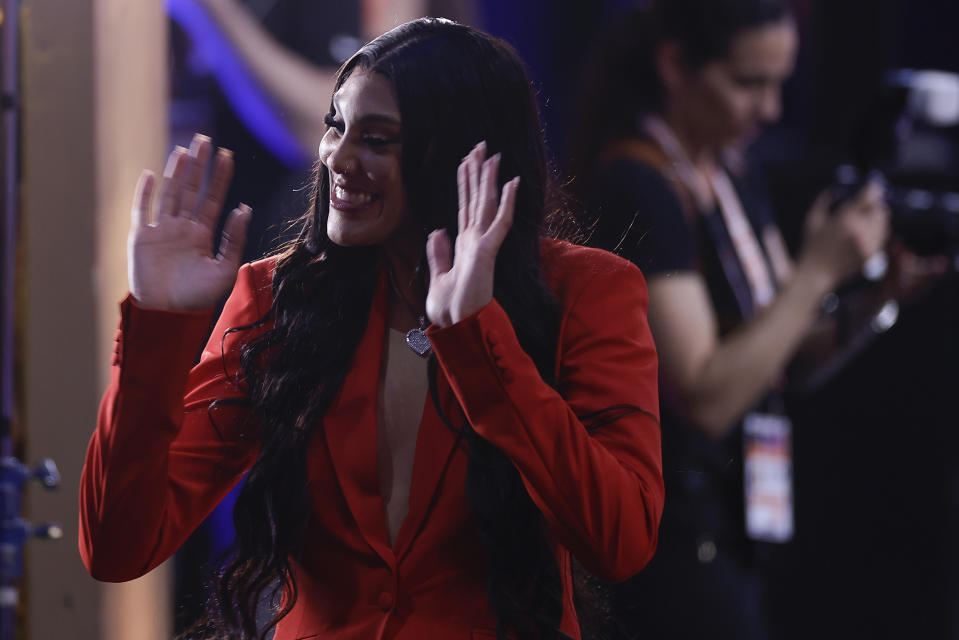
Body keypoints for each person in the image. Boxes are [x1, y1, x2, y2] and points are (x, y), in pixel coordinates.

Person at [79, 18, 664, 640]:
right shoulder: (275, 296)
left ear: (460, 153)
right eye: (337, 125)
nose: (337, 157)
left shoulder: (587, 290)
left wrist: (476, 339)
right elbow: (118, 547)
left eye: (376, 138)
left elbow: (620, 541)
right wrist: (157, 327)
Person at [568, 1, 891, 638]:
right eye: (750, 83)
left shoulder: (735, 175)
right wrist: (818, 273)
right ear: (674, 65)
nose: (770, 110)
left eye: (780, 83)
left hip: (733, 525)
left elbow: (781, 356)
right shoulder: (638, 182)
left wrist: (877, 298)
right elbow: (706, 396)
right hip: (667, 541)